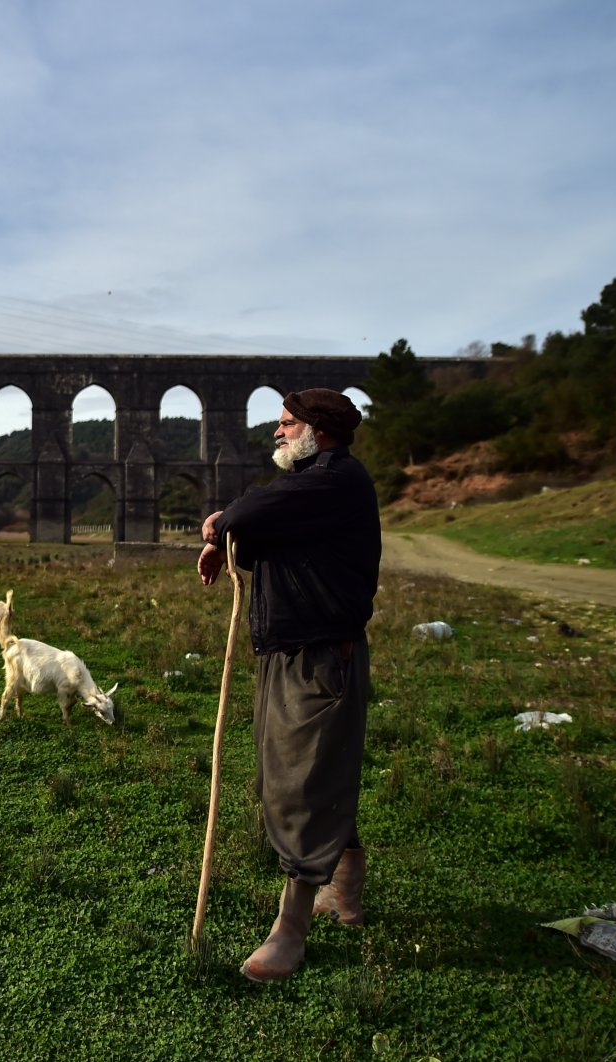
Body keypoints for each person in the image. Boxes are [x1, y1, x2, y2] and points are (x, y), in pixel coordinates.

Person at [197, 387, 380, 982]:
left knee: (304, 780)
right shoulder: (311, 491)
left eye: (285, 423)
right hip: (287, 651)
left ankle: (291, 931)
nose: (276, 433)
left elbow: (251, 514)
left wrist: (227, 523)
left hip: (323, 656)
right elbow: (263, 536)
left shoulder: (337, 480)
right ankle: (344, 891)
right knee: (298, 770)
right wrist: (227, 545)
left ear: (317, 430)